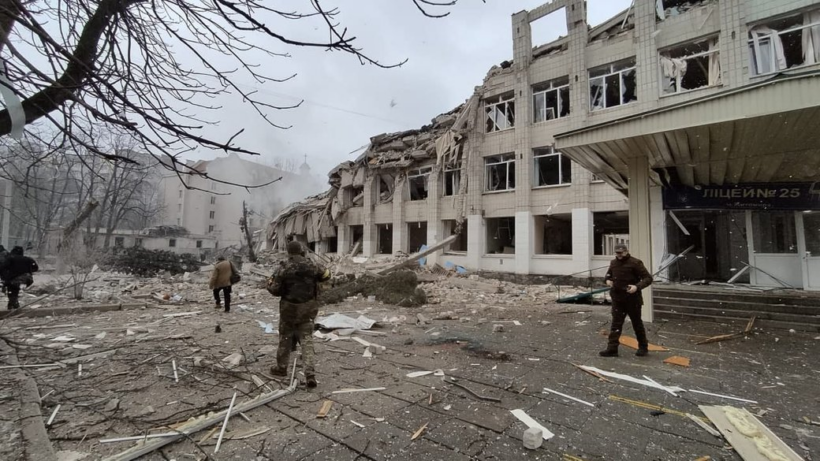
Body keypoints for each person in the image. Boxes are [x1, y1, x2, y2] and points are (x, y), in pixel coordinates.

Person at [266, 241, 330, 388]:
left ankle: (281, 368)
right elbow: (327, 275)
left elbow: (275, 289)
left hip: (289, 308)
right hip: (308, 307)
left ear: (288, 252)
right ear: (302, 251)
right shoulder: (312, 265)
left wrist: (268, 284)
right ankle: (310, 374)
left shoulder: (283, 268)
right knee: (307, 338)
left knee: (285, 337)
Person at [600, 243, 653, 357]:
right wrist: (607, 280)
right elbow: (608, 275)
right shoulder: (613, 263)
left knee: (637, 323)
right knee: (616, 324)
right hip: (617, 298)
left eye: (621, 253)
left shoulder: (635, 263)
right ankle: (612, 348)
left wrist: (637, 287)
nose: (619, 255)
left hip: (632, 299)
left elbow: (648, 278)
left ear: (626, 251)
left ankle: (643, 347)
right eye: (617, 253)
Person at [0, 246, 39, 310]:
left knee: (12, 289)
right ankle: (12, 305)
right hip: (27, 280)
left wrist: (5, 277)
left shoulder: (10, 258)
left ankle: (14, 305)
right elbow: (36, 268)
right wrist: (27, 270)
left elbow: (2, 267)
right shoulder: (28, 259)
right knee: (15, 290)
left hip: (14, 280)